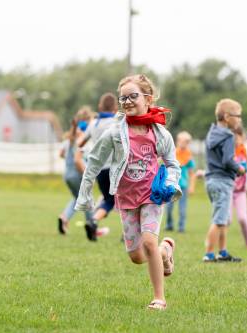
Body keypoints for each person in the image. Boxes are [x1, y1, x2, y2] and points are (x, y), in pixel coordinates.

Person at [75, 74, 181, 310]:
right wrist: (84, 194)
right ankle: (166, 251)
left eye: (133, 96)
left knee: (149, 243)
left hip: (152, 196)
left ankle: (159, 299)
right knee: (137, 257)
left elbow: (173, 164)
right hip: (125, 197)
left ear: (148, 98)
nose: (127, 101)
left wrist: (171, 184)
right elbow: (93, 161)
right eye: (123, 98)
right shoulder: (114, 132)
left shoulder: (160, 134)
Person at [203, 99, 245, 263]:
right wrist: (239, 168)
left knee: (224, 219)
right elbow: (228, 160)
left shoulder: (212, 132)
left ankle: (223, 252)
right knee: (219, 219)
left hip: (211, 180)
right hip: (222, 181)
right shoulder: (228, 136)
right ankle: (209, 254)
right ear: (227, 117)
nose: (240, 119)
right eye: (238, 116)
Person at [78, 93, 118, 241]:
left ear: (100, 107)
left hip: (99, 169)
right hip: (116, 168)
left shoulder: (93, 123)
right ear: (115, 108)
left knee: (109, 200)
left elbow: (80, 143)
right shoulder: (117, 122)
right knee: (127, 200)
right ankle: (129, 233)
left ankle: (93, 220)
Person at [58, 106, 94, 234]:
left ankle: (64, 218)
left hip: (67, 175)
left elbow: (61, 153)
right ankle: (91, 225)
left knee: (77, 197)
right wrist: (87, 174)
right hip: (78, 174)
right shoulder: (82, 137)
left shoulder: (70, 137)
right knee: (87, 197)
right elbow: (78, 160)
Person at [230, 126, 247, 250]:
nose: (236, 138)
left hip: (241, 191)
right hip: (228, 189)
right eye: (234, 135)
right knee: (226, 219)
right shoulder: (227, 150)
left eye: (239, 135)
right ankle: (218, 246)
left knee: (243, 218)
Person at [165, 131, 196, 233]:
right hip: (171, 185)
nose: (183, 143)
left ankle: (181, 227)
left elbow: (192, 174)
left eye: (186, 142)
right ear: (177, 141)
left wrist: (192, 186)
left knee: (182, 209)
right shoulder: (172, 154)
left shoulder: (189, 157)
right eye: (181, 141)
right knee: (168, 208)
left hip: (183, 186)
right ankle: (169, 225)